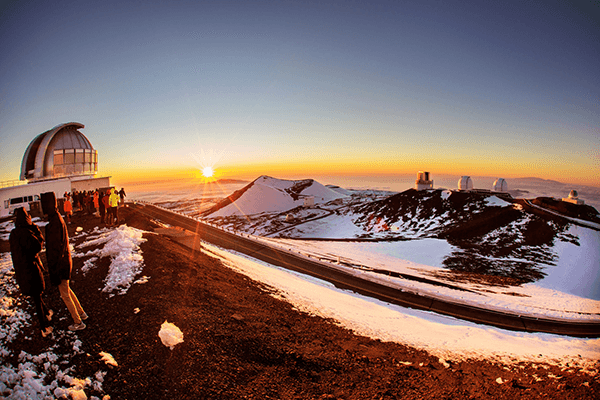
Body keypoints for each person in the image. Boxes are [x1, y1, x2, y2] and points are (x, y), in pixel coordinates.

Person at [41, 192, 88, 331]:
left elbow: (55, 250)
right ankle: (81, 313)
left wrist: (53, 269)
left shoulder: (54, 223)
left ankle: (78, 322)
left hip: (61, 264)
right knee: (67, 289)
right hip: (65, 261)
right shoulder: (58, 219)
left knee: (64, 295)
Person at [9, 208, 54, 337]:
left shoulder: (13, 233)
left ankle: (47, 313)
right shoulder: (26, 233)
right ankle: (44, 327)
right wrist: (35, 228)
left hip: (21, 271)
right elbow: (39, 244)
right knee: (37, 295)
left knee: (36, 296)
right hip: (31, 269)